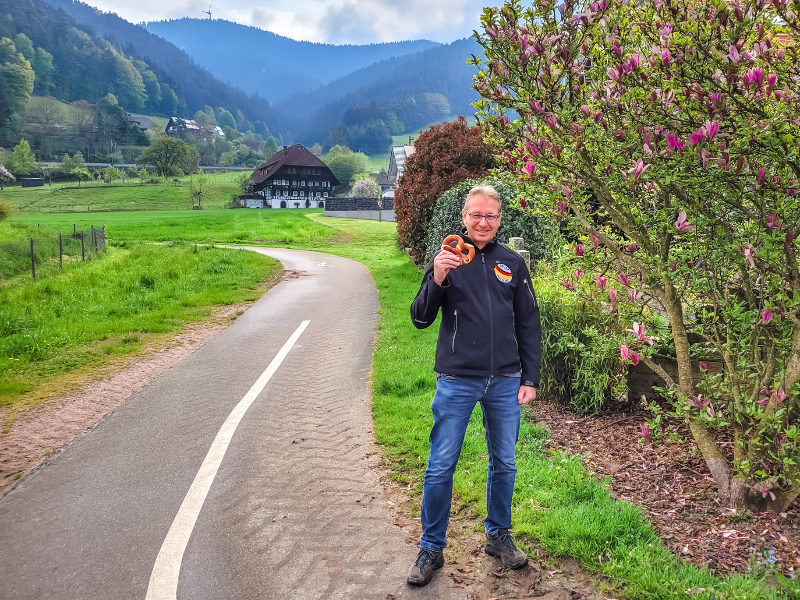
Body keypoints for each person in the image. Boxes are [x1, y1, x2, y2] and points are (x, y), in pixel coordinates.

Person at [407, 184, 540, 586]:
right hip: (457, 380)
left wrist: (529, 378)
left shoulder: (513, 264)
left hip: (505, 381)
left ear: (500, 220)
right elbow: (419, 318)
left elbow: (529, 324)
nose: (483, 222)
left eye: (491, 216)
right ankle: (432, 547)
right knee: (440, 465)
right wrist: (439, 277)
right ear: (464, 218)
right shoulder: (447, 259)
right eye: (476, 215)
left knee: (505, 463)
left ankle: (498, 535)